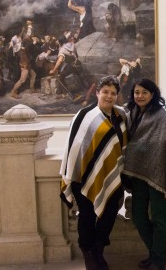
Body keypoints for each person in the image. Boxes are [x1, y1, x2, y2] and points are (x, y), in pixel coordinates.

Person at [59, 76, 127, 270]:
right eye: (105, 92)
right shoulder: (83, 116)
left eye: (113, 93)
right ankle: (87, 251)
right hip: (83, 176)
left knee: (109, 214)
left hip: (111, 175)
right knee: (87, 215)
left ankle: (98, 250)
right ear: (97, 93)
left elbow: (122, 146)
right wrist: (72, 173)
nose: (109, 96)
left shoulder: (121, 116)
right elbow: (74, 147)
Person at [122, 78, 166, 270]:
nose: (140, 96)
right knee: (138, 215)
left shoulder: (160, 115)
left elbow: (165, 141)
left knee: (159, 219)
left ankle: (158, 260)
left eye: (144, 92)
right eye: (137, 92)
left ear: (152, 94)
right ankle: (155, 253)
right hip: (138, 175)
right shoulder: (129, 113)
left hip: (158, 173)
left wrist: (138, 148)